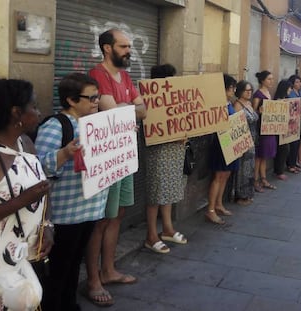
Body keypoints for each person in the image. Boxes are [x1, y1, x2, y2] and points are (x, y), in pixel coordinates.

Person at [36, 73, 110, 309]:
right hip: (64, 215)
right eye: (91, 97)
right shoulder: (55, 125)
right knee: (59, 269)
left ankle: (69, 304)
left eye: (97, 96)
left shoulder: (96, 122)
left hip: (89, 210)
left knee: (74, 263)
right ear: (71, 100)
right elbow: (38, 166)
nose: (96, 101)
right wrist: (65, 153)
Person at [86, 28, 146, 301]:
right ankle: (93, 280)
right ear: (107, 48)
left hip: (124, 155)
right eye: (123, 46)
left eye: (129, 46)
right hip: (105, 158)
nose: (128, 51)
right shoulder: (98, 75)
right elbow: (110, 110)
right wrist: (126, 106)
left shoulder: (125, 76)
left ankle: (109, 270)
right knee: (101, 219)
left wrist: (124, 106)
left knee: (118, 214)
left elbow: (142, 110)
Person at [0, 77, 51, 310]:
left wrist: (47, 226)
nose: (39, 112)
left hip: (22, 261)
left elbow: (42, 190)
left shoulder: (26, 144)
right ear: (15, 113)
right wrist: (20, 201)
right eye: (34, 106)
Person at [144, 64, 188, 253]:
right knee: (156, 191)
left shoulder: (174, 100)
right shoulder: (149, 101)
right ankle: (151, 234)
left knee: (169, 189)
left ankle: (168, 229)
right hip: (159, 152)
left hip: (175, 151)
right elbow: (153, 130)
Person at [205, 73, 238, 224]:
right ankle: (210, 209)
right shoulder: (217, 105)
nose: (233, 91)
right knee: (218, 176)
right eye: (231, 88)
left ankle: (218, 203)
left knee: (226, 174)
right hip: (220, 143)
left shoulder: (229, 103)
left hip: (230, 143)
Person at [233, 80, 259, 205]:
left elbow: (254, 117)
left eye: (250, 90)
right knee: (243, 168)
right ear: (240, 91)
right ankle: (240, 195)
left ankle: (248, 193)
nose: (249, 93)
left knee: (250, 167)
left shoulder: (249, 103)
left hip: (252, 139)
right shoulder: (238, 105)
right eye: (246, 90)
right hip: (243, 140)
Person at [252, 71, 277, 191]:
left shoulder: (269, 93)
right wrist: (259, 111)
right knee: (259, 156)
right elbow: (253, 112)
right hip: (260, 129)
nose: (271, 81)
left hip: (268, 128)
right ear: (262, 81)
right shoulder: (258, 94)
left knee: (265, 155)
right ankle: (255, 180)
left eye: (272, 79)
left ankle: (264, 178)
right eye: (269, 79)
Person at [273, 79, 293, 180]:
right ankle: (279, 171)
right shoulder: (278, 100)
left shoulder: (287, 99)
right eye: (289, 88)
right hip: (279, 129)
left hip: (287, 129)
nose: (290, 90)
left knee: (286, 149)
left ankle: (281, 169)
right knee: (282, 149)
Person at [286, 75, 301, 173]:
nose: (299, 84)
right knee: (292, 144)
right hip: (292, 121)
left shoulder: (299, 93)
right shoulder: (291, 93)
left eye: (299, 82)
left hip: (299, 121)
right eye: (296, 82)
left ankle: (294, 162)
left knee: (297, 143)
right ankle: (290, 164)